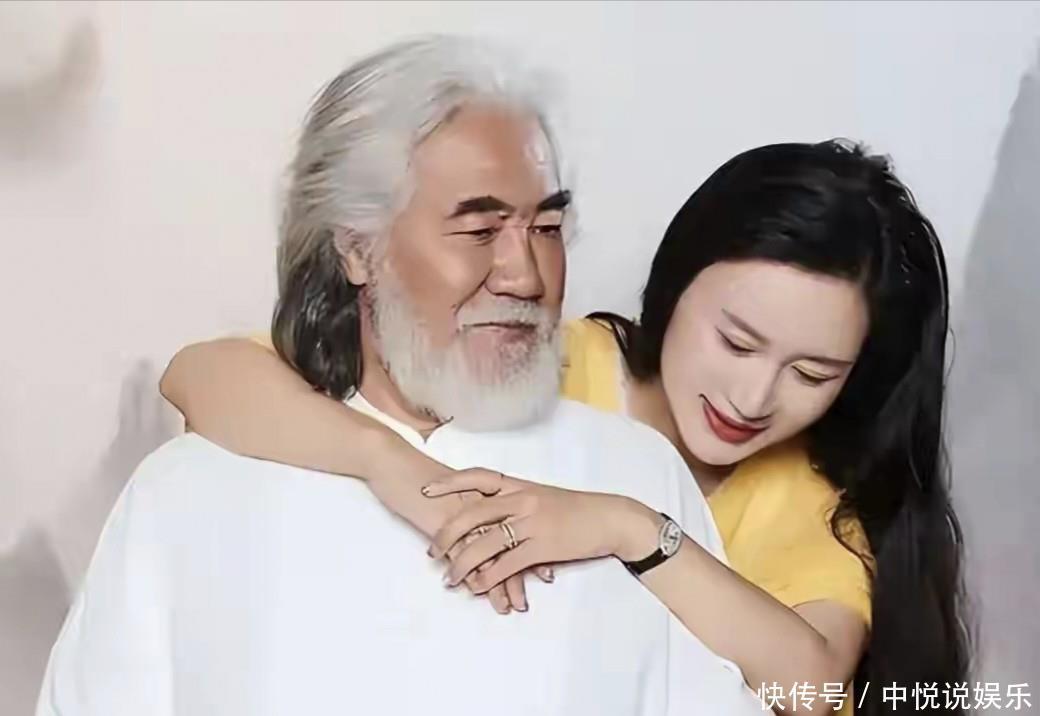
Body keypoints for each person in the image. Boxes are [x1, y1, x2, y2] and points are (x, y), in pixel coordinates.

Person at [36, 36, 762, 716]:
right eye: (479, 230)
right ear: (358, 250)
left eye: (546, 228)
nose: (526, 276)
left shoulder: (636, 472)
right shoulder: (189, 487)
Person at [162, 130, 972, 713]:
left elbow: (810, 685)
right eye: (736, 341)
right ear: (677, 281)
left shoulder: (808, 499)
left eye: (811, 373)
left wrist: (628, 528)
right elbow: (201, 375)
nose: (754, 397)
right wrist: (389, 464)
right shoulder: (538, 357)